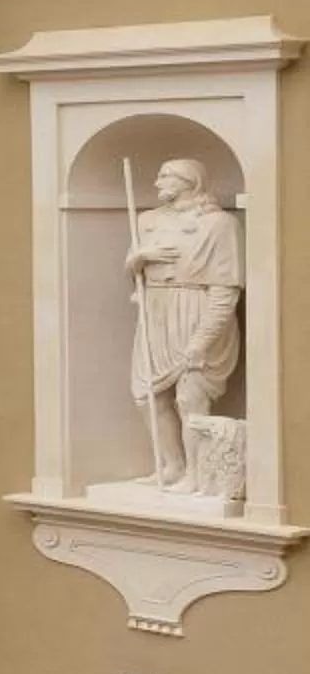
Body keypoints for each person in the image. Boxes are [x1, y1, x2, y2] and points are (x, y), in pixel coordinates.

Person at [129, 158, 243, 488]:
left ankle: (198, 474)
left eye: (166, 176)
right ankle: (172, 466)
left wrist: (201, 340)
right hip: (155, 313)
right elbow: (133, 274)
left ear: (190, 180)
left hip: (196, 311)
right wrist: (140, 258)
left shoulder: (219, 224)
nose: (157, 182)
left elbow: (226, 289)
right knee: (146, 395)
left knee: (190, 397)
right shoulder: (147, 221)